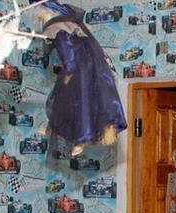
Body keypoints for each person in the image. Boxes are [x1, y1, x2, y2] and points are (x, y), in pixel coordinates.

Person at [34, 1, 127, 156]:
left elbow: (67, 52)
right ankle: (60, 130)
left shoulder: (58, 28)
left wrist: (69, 72)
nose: (37, 18)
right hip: (87, 65)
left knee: (73, 101)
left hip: (79, 67)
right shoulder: (69, 24)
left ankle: (78, 138)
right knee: (76, 101)